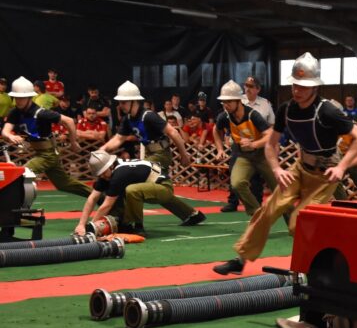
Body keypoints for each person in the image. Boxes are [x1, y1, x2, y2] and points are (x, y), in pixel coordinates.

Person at [213, 52, 357, 275]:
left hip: (324, 175)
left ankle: (321, 263)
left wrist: (341, 167)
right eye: (295, 85)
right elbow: (271, 143)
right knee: (267, 211)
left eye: (303, 86)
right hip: (300, 167)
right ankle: (241, 260)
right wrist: (276, 168)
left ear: (315, 87)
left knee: (298, 223)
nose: (297, 90)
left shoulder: (327, 111)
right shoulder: (286, 109)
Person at [99, 80, 205, 226]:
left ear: (133, 101)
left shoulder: (149, 116)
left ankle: (129, 221)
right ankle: (191, 214)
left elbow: (173, 133)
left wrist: (184, 155)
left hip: (161, 154)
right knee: (156, 188)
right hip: (150, 154)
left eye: (123, 102)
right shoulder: (128, 119)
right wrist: (101, 151)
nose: (120, 105)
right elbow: (118, 139)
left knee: (133, 181)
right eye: (120, 102)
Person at [2, 76, 92, 198]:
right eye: (16, 97)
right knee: (64, 184)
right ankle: (99, 196)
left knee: (21, 174)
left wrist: (73, 142)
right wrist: (9, 136)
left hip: (48, 155)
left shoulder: (41, 113)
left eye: (22, 98)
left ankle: (18, 207)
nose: (18, 101)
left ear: (29, 97)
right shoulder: (15, 112)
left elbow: (69, 121)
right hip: (40, 153)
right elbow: (5, 131)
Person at [74, 151, 187, 236]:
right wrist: (81, 224)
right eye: (99, 175)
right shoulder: (108, 173)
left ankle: (138, 226)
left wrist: (91, 227)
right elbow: (92, 198)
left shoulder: (120, 174)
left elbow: (107, 205)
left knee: (131, 190)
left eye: (103, 173)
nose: (102, 176)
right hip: (150, 186)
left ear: (111, 165)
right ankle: (124, 222)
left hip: (164, 187)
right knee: (111, 193)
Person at [211, 80, 277, 216]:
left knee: (278, 189)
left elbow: (270, 135)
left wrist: (254, 144)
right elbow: (216, 130)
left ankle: (292, 222)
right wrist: (220, 149)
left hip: (262, 154)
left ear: (239, 101)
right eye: (223, 102)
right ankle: (257, 212)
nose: (225, 105)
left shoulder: (253, 115)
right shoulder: (224, 116)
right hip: (243, 155)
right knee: (237, 183)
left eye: (229, 102)